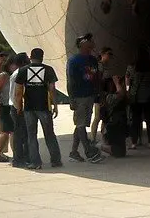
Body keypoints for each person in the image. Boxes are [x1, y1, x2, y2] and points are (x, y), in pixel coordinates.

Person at [16, 48, 63, 170]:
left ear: (31, 57)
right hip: (44, 107)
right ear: (42, 57)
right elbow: (52, 89)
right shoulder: (48, 70)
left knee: (31, 136)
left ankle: (36, 162)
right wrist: (55, 105)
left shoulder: (23, 70)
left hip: (29, 107)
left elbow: (18, 91)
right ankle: (56, 160)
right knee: (49, 134)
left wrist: (19, 106)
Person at [67, 35, 104, 164]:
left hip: (90, 96)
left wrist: (99, 94)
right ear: (82, 44)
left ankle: (74, 152)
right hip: (79, 97)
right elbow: (70, 80)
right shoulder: (74, 61)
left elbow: (97, 78)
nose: (93, 43)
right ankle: (89, 152)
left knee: (81, 124)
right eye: (89, 41)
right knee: (82, 125)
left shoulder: (93, 60)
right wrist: (71, 99)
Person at [0, 54, 18, 164]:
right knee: (6, 131)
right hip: (4, 106)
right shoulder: (3, 76)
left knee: (11, 131)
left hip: (12, 106)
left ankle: (15, 153)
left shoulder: (15, 75)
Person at [127, 44, 150, 150]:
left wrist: (128, 91)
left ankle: (134, 142)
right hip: (148, 95)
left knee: (135, 121)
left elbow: (128, 81)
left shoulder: (131, 67)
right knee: (149, 120)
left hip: (136, 96)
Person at [7, 53, 30, 168]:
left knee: (24, 134)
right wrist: (19, 108)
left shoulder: (21, 73)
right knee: (19, 134)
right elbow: (16, 94)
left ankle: (25, 156)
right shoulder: (18, 74)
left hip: (19, 107)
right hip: (17, 108)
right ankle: (18, 158)